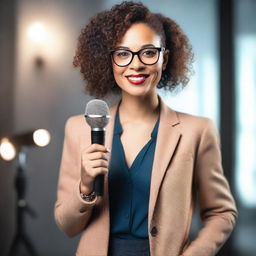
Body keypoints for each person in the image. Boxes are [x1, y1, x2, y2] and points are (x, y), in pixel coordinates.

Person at [54, 2, 237, 256]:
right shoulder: (78, 128)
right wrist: (84, 187)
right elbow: (67, 225)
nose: (136, 64)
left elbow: (222, 213)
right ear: (109, 61)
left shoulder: (198, 131)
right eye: (122, 53)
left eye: (148, 52)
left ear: (165, 58)